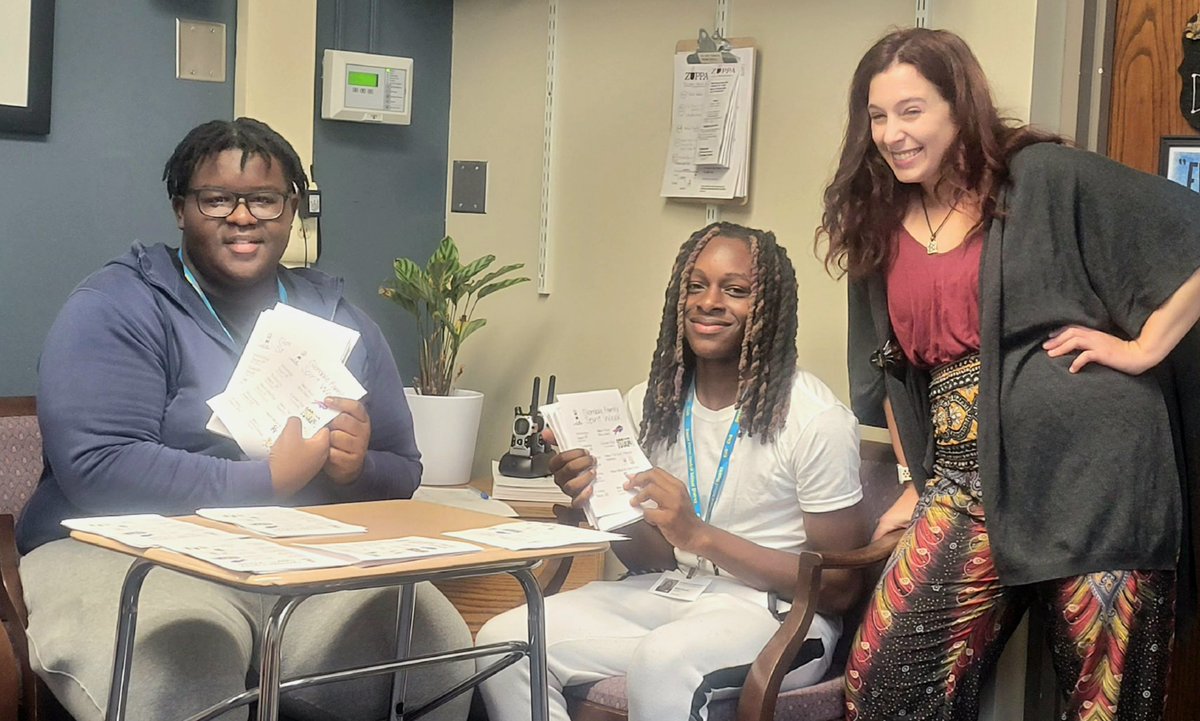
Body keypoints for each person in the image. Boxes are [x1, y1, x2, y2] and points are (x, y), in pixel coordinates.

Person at [16, 117, 472, 721]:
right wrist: (269, 480)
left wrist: (353, 468)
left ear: (292, 211)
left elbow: (400, 472)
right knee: (180, 651)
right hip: (123, 552)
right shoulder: (117, 305)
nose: (243, 216)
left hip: (298, 552)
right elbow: (99, 468)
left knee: (428, 633)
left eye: (265, 199)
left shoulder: (337, 316)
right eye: (217, 199)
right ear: (181, 208)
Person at [817, 27, 1200, 721]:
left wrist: (1144, 347)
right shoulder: (879, 221)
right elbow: (893, 373)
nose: (892, 133)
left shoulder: (1044, 176)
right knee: (883, 691)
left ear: (959, 108)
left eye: (912, 110)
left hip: (1097, 482)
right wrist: (915, 481)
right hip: (967, 485)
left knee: (1105, 708)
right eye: (877, 115)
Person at [476, 221, 869, 721]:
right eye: (696, 285)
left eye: (736, 290)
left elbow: (837, 588)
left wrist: (699, 535)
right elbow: (654, 558)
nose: (709, 301)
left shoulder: (815, 420)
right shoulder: (650, 403)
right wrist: (596, 501)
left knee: (663, 661)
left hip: (779, 617)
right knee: (505, 641)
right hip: (670, 593)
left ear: (769, 308)